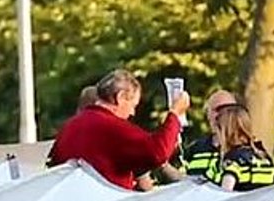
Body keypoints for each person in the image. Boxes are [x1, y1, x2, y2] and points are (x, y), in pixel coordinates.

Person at [48, 69, 189, 190]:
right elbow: (158, 152)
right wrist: (175, 115)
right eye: (133, 105)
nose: (132, 113)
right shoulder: (112, 127)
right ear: (120, 97)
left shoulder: (69, 126)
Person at [213, 105, 274, 192]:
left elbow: (225, 194)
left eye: (217, 132)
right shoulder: (265, 158)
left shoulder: (233, 161)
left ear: (226, 132)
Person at [181, 90, 240, 183]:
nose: (219, 116)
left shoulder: (249, 150)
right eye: (215, 110)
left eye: (225, 110)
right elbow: (181, 180)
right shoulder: (197, 148)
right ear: (208, 114)